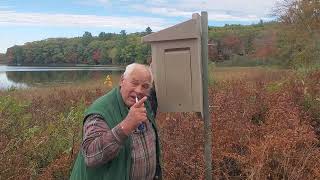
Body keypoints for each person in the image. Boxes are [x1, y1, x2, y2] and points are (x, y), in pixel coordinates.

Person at [70, 63, 162, 180]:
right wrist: (126, 126)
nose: (139, 90)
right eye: (134, 83)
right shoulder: (101, 111)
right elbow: (90, 156)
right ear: (122, 80)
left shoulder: (145, 103)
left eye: (145, 86)